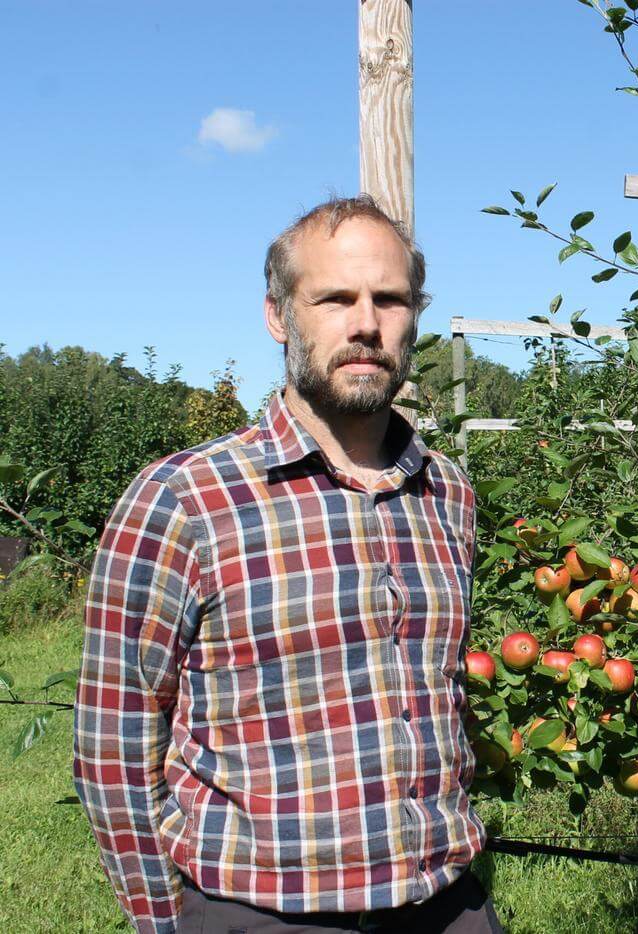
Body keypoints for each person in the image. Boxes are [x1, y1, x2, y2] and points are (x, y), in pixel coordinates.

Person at [73, 196, 503, 933]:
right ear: (279, 316)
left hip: (443, 901)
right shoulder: (185, 500)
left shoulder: (448, 494)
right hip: (264, 909)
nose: (366, 323)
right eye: (334, 297)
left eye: (389, 299)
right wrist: (161, 920)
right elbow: (113, 744)